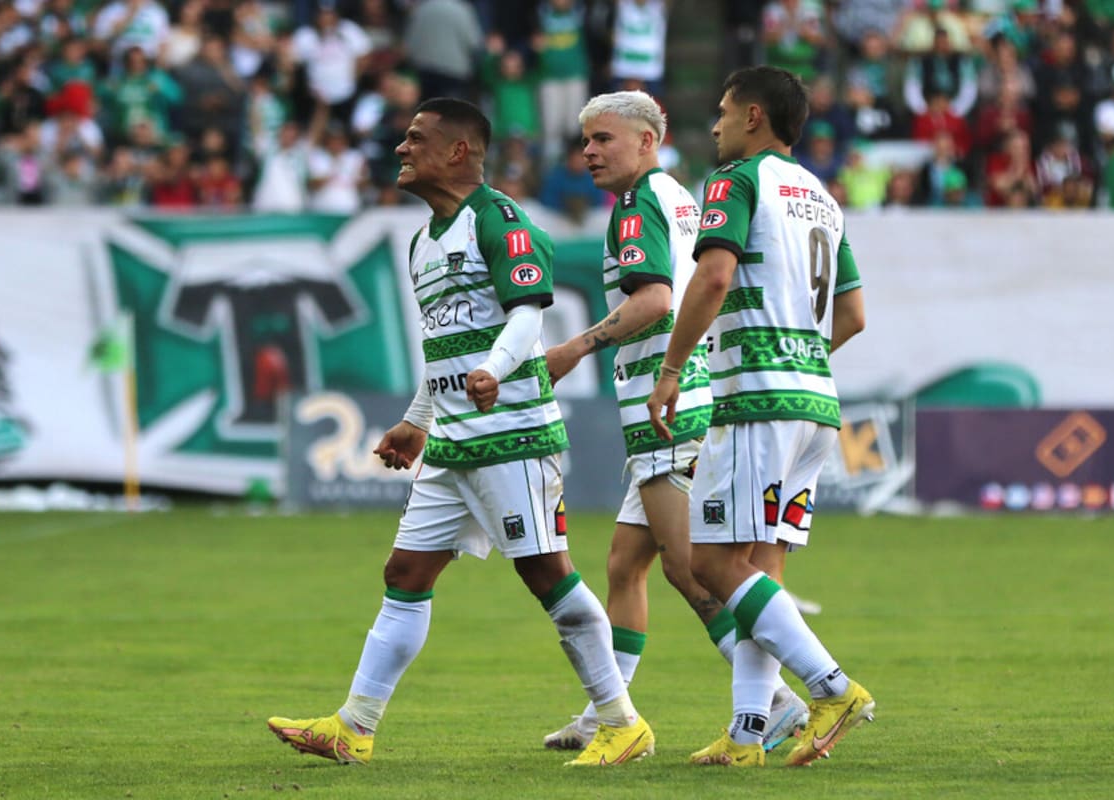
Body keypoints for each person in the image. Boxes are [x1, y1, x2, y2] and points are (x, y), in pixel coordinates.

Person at [266, 97, 654, 768]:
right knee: (406, 571)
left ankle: (623, 723)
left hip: (512, 432)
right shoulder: (423, 241)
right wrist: (417, 422)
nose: (400, 148)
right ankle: (354, 725)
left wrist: (495, 370)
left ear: (457, 152)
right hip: (453, 439)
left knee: (546, 574)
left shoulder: (500, 221)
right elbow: (443, 346)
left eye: (416, 137)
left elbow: (530, 313)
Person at [540, 89, 809, 755]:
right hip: (687, 400)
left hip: (667, 412)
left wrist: (575, 347)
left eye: (605, 139)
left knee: (697, 570)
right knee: (627, 565)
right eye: (587, 141)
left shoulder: (636, 206)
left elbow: (656, 299)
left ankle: (779, 698)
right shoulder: (681, 199)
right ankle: (611, 710)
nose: (590, 152)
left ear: (646, 142)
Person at [646, 65, 874, 768]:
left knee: (709, 562)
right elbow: (855, 315)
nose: (713, 124)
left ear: (752, 117)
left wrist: (674, 367)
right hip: (815, 403)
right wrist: (799, 355)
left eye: (722, 112)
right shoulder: (823, 199)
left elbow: (713, 276)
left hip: (756, 403)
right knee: (758, 569)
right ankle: (747, 735)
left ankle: (833, 688)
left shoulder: (737, 181)